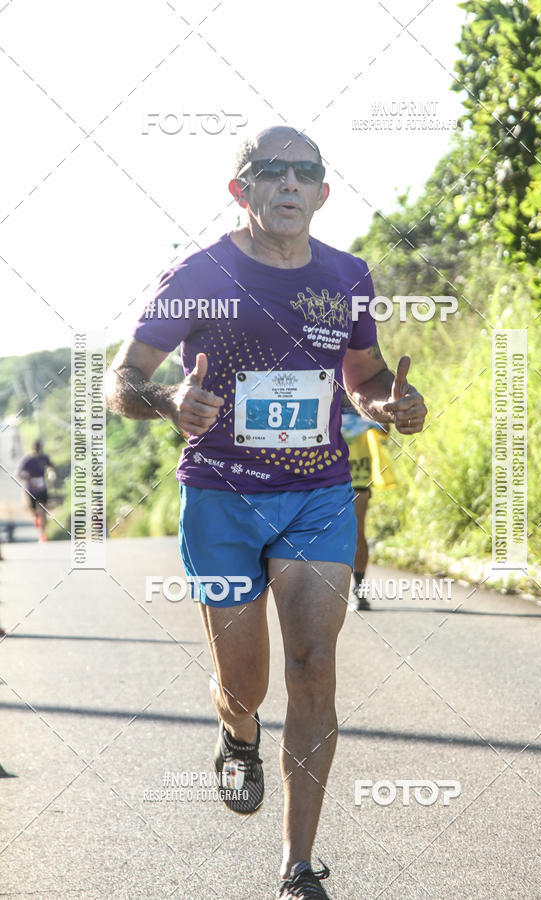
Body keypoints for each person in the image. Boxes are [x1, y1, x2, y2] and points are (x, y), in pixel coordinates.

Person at [105, 125, 427, 899]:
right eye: (270, 172)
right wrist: (167, 401)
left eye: (305, 172)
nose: (289, 184)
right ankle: (237, 732)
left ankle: (297, 866)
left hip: (316, 495)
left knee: (315, 669)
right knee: (244, 684)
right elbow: (121, 381)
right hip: (221, 498)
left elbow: (362, 374)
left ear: (323, 191)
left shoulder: (347, 275)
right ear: (239, 190)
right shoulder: (197, 273)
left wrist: (391, 401)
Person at [341, 393, 398, 611]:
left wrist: (378, 411)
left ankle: (359, 590)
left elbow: (385, 430)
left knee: (357, 531)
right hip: (324, 479)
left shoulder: (362, 393)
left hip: (358, 478)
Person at [17, 440, 55, 542]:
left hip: (42, 487)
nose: (38, 450)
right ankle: (37, 518)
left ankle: (43, 534)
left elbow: (51, 467)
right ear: (33, 448)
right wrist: (28, 479)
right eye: (37, 448)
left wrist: (51, 474)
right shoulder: (27, 460)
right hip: (31, 488)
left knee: (43, 510)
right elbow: (19, 473)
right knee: (34, 511)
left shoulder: (44, 458)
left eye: (40, 448)